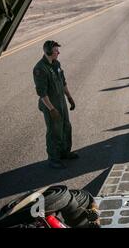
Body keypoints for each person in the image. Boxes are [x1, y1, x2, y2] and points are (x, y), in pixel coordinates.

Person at [33, 40, 77, 169]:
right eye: (56, 50)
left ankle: (65, 152)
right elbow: (42, 93)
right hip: (50, 104)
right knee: (54, 131)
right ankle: (53, 158)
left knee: (66, 127)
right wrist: (51, 109)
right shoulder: (40, 69)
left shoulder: (56, 64)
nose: (58, 52)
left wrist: (69, 97)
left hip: (61, 102)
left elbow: (63, 82)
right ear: (48, 52)